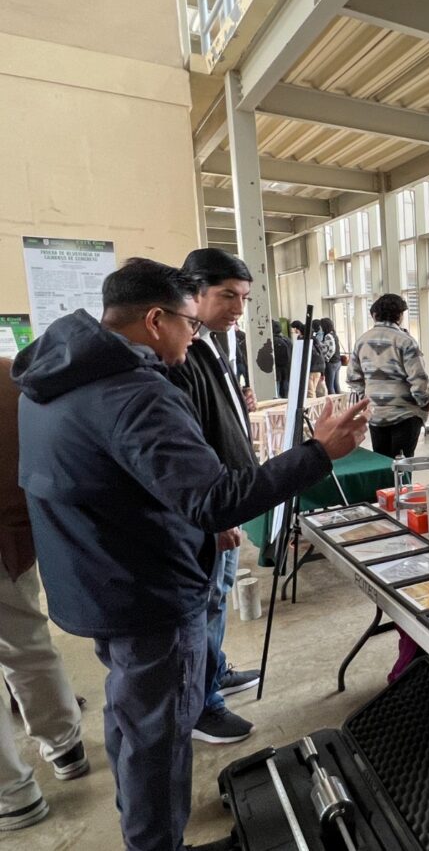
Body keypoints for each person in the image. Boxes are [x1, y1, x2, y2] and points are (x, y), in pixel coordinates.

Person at [11, 257, 369, 851]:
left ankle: (144, 836)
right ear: (155, 320)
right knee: (158, 739)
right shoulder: (132, 392)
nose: (194, 333)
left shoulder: (52, 379)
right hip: (145, 590)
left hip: (92, 579)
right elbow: (213, 498)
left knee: (131, 720)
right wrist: (318, 452)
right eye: (187, 322)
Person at [170, 248, 261, 747]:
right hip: (212, 507)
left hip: (228, 496)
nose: (238, 308)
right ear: (195, 292)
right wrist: (216, 517)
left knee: (218, 598)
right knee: (206, 602)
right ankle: (203, 706)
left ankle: (215, 669)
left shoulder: (214, 343)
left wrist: (237, 403)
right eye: (228, 295)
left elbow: (212, 413)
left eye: (244, 298)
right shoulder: (181, 354)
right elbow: (191, 444)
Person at [0, 357, 88, 833]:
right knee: (27, 644)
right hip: (14, 539)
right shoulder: (12, 375)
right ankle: (66, 747)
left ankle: (13, 794)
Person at [348, 293, 429, 459]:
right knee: (402, 468)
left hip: (376, 413)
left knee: (383, 465)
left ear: (374, 315)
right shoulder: (405, 341)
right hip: (405, 414)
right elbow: (419, 380)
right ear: (400, 316)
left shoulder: (362, 341)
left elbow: (353, 377)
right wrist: (422, 405)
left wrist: (368, 399)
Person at [318, 318, 342, 394]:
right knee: (336, 384)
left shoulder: (328, 336)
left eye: (321, 326)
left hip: (331, 363)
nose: (320, 328)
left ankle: (333, 404)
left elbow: (331, 350)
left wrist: (326, 359)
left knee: (330, 386)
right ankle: (340, 404)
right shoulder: (334, 334)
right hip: (337, 361)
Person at [272, 320, 291, 398]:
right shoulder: (287, 340)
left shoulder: (272, 340)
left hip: (277, 369)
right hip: (287, 368)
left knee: (277, 388)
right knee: (286, 388)